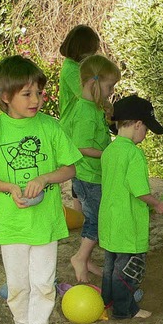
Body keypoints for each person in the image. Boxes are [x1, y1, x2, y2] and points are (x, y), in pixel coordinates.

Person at [0, 55, 81, 324]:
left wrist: (45, 178)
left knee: (44, 284)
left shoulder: (50, 127)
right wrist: (9, 187)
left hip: (46, 223)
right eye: (27, 94)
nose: (36, 99)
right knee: (18, 286)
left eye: (39, 92)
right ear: (7, 97)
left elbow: (69, 168)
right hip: (11, 225)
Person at [99, 95, 163, 319]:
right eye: (146, 130)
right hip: (128, 224)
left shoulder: (110, 150)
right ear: (138, 124)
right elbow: (139, 191)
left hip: (109, 221)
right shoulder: (133, 154)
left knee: (109, 266)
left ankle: (106, 302)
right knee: (128, 271)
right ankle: (125, 310)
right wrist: (156, 203)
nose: (145, 135)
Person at [60, 54, 121, 283]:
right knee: (97, 220)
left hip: (94, 175)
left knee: (95, 218)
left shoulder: (92, 107)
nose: (111, 90)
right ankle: (80, 257)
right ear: (94, 84)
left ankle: (86, 259)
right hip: (88, 176)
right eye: (109, 86)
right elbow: (82, 146)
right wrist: (109, 154)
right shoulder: (85, 112)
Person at [58, 24, 101, 214]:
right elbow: (86, 93)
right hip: (73, 124)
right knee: (79, 170)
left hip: (80, 121)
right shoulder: (70, 68)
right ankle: (82, 212)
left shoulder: (77, 66)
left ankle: (79, 212)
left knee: (79, 170)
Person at [58, 24, 101, 118]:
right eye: (92, 51)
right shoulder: (71, 69)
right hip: (72, 123)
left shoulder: (79, 66)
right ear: (83, 49)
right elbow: (87, 96)